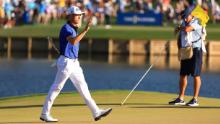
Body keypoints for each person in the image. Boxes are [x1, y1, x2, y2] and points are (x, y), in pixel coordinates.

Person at [40, 6, 112, 122]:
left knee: (83, 88)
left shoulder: (73, 28)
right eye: (77, 15)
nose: (79, 17)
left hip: (74, 63)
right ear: (71, 16)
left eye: (80, 15)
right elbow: (73, 41)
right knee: (56, 88)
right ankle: (45, 113)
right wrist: (85, 30)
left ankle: (96, 112)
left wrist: (82, 30)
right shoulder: (66, 28)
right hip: (66, 63)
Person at [169, 5, 204, 107]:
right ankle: (181, 98)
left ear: (191, 15)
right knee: (183, 74)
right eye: (183, 16)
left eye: (186, 16)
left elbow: (188, 29)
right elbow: (180, 37)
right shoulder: (184, 22)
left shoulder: (197, 21)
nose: (184, 18)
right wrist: (179, 48)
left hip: (196, 50)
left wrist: (180, 27)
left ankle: (195, 99)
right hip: (185, 51)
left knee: (196, 75)